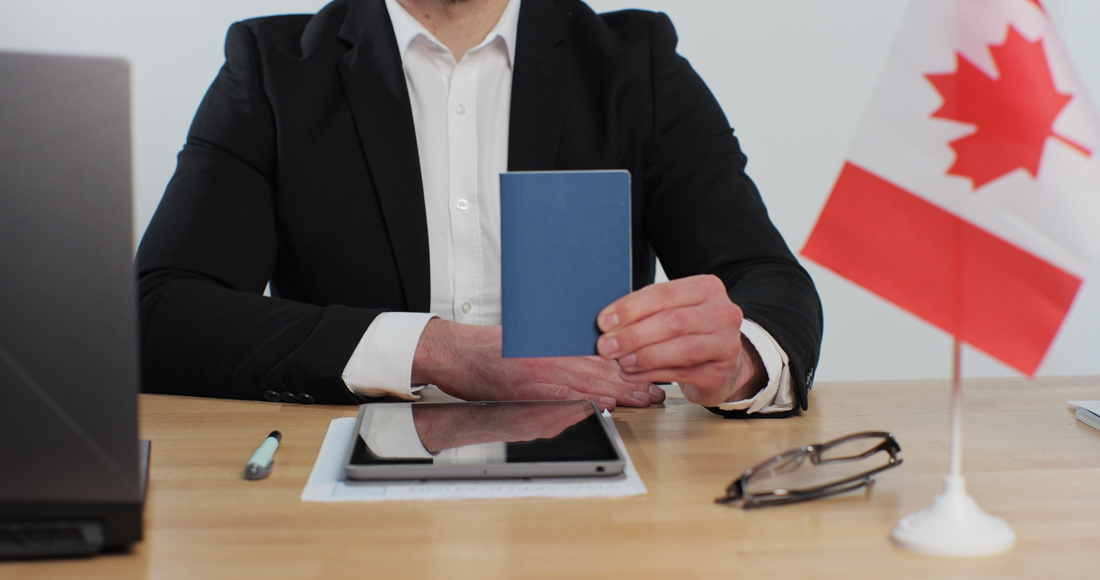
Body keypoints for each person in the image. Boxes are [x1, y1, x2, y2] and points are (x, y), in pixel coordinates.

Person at [135, 0, 823, 417]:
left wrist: (736, 361)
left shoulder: (633, 63)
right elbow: (157, 313)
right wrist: (434, 351)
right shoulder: (272, 69)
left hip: (599, 479)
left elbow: (770, 283)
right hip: (344, 487)